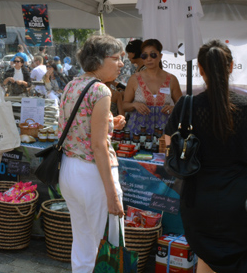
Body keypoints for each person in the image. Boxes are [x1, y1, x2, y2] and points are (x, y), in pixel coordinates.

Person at [164, 40, 247, 273]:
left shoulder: (187, 106)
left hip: (198, 199)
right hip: (239, 200)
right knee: (241, 261)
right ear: (231, 67)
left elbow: (170, 150)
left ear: (200, 69)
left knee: (206, 260)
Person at [58, 34, 127, 273]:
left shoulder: (72, 84)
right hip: (93, 174)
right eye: (116, 58)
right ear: (98, 60)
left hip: (69, 170)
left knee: (83, 241)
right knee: (111, 244)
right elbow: (98, 146)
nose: (121, 64)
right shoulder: (101, 91)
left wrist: (109, 123)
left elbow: (80, 125)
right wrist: (112, 194)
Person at [123, 39, 182, 138]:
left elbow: (182, 106)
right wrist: (134, 105)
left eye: (153, 55)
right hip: (138, 132)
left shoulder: (171, 79)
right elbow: (124, 105)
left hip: (165, 133)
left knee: (165, 152)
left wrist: (173, 108)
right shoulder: (134, 79)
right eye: (144, 56)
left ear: (160, 56)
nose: (149, 59)